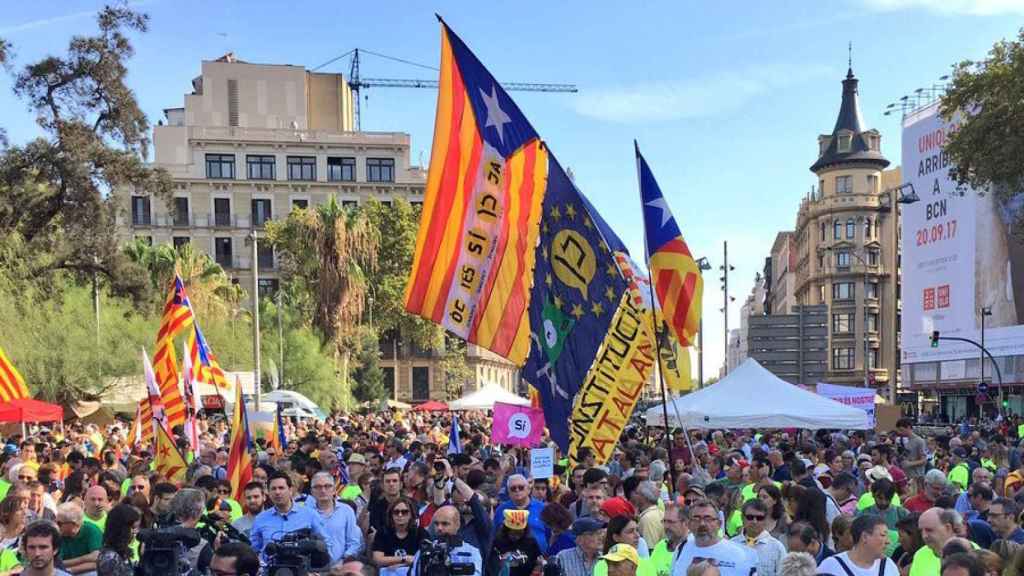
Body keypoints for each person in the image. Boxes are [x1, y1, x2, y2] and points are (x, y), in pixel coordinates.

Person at [249, 472, 336, 563]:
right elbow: (253, 550)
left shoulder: (310, 515)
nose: (277, 492)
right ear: (269, 493)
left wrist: (318, 570)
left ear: (290, 490)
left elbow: (326, 544)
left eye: (281, 488)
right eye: (273, 489)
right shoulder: (260, 519)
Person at [671, 500, 758, 576]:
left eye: (708, 518)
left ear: (719, 524)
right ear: (689, 524)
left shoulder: (741, 554)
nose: (702, 524)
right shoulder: (681, 548)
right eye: (696, 518)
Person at [306, 471, 363, 566]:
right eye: (318, 487)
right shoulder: (304, 513)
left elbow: (354, 542)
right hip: (313, 569)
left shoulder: (346, 511)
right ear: (312, 491)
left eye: (327, 486)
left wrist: (342, 562)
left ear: (334, 490)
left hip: (342, 568)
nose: (323, 490)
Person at [409, 505, 482, 576]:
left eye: (445, 524)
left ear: (457, 525)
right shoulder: (425, 551)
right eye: (436, 524)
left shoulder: (472, 552)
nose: (439, 528)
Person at [818, 515, 899, 576]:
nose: (888, 541)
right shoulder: (831, 566)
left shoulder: (889, 565)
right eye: (883, 535)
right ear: (865, 537)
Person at [494, 474, 549, 554]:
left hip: (539, 559)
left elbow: (551, 534)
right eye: (513, 488)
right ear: (508, 492)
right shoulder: (501, 510)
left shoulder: (542, 508)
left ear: (528, 490)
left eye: (521, 487)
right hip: (509, 560)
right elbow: (495, 534)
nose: (517, 490)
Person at [731, 499, 786, 576]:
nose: (754, 521)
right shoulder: (731, 545)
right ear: (742, 518)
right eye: (750, 517)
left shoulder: (777, 548)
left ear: (765, 519)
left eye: (759, 518)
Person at [371, 497, 424, 576]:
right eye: (396, 512)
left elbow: (423, 560)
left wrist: (400, 565)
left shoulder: (421, 533)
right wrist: (404, 559)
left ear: (411, 514)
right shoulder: (382, 532)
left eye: (404, 512)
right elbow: (377, 559)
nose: (400, 515)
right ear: (391, 515)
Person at [486, 509, 543, 576]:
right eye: (513, 533)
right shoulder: (498, 541)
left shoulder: (530, 541)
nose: (517, 537)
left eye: (520, 533)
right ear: (506, 530)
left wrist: (535, 572)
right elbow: (491, 563)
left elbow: (539, 561)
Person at [910, 508, 962, 576]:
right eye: (921, 531)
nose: (924, 536)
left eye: (929, 530)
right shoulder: (920, 554)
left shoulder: (969, 550)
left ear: (947, 528)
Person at [56, 501, 101, 575]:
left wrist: (71, 569)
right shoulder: (59, 534)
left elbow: (96, 562)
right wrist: (85, 558)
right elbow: (58, 563)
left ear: (73, 524)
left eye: (59, 523)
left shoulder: (91, 530)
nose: (56, 525)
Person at [96, 503, 139, 576]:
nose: (134, 532)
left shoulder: (119, 553)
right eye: (132, 528)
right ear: (121, 529)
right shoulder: (109, 558)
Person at [651, 503, 690, 576]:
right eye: (664, 521)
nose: (666, 526)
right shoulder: (660, 545)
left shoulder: (693, 547)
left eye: (670, 522)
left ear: (685, 523)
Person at [634, 481, 665, 547]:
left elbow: (650, 548)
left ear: (644, 497)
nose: (634, 496)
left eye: (637, 493)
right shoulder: (658, 512)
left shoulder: (648, 518)